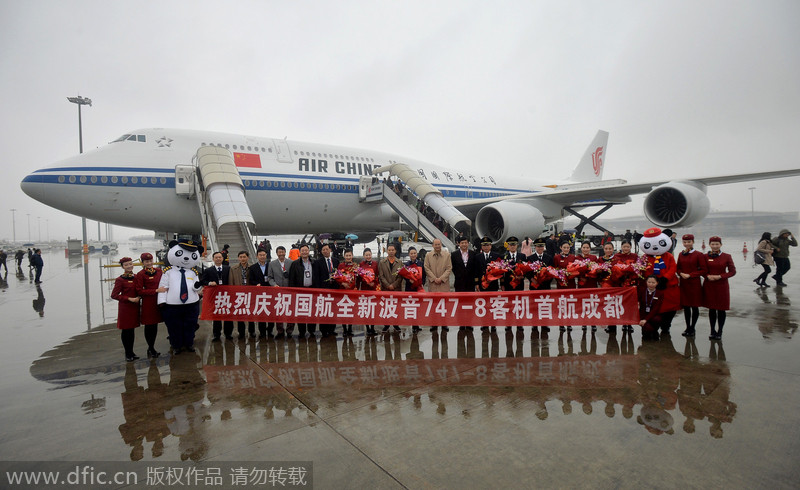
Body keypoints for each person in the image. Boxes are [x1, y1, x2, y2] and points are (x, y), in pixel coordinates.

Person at [702, 237, 736, 340]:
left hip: (721, 285)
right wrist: (706, 276)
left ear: (721, 244)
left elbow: (732, 271)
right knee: (712, 309)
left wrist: (720, 276)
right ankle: (712, 330)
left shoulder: (726, 256)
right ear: (709, 245)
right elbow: (702, 269)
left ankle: (720, 331)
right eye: (713, 244)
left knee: (721, 309)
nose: (715, 246)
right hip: (709, 284)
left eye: (717, 244)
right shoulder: (705, 256)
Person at [135, 252, 166, 357]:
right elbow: (139, 291)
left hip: (159, 301)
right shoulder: (140, 274)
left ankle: (152, 348)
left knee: (156, 325)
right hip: (148, 303)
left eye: (150, 261)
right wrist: (155, 290)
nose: (149, 263)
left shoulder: (159, 271)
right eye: (146, 261)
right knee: (149, 326)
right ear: (142, 262)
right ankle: (151, 348)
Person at [112, 257, 141, 362]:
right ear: (123, 267)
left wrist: (139, 297)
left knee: (132, 330)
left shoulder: (136, 277)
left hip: (135, 307)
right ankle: (127, 353)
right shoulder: (120, 280)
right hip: (125, 308)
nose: (129, 266)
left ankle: (131, 352)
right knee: (126, 331)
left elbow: (140, 290)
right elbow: (114, 295)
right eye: (126, 265)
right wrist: (128, 298)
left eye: (130, 264)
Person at [676, 235, 706, 338]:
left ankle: (692, 327)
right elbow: (678, 267)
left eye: (689, 242)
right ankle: (687, 327)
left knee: (694, 307)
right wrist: (680, 274)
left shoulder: (698, 254)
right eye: (685, 242)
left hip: (694, 283)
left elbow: (703, 270)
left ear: (693, 242)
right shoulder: (681, 254)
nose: (687, 244)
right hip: (684, 283)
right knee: (686, 307)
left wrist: (691, 275)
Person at [200, 251, 233, 341]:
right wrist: (210, 283)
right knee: (216, 316)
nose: (218, 259)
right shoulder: (208, 270)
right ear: (213, 259)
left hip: (227, 296)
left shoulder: (228, 269)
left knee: (228, 315)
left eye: (220, 257)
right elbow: (203, 281)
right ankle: (216, 335)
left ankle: (228, 334)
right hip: (215, 297)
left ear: (222, 258)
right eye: (216, 257)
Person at [424, 238, 452, 332]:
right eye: (435, 244)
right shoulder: (428, 255)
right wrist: (434, 278)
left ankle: (444, 324)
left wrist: (441, 278)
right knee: (433, 305)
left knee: (444, 305)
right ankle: (434, 324)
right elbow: (426, 268)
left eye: (439, 244)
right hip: (433, 284)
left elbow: (449, 268)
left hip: (443, 284)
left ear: (441, 245)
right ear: (433, 245)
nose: (437, 246)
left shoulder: (447, 255)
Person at [452, 235, 479, 331]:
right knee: (460, 304)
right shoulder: (454, 255)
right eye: (462, 243)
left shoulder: (473, 254)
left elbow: (475, 268)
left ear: (468, 243)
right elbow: (454, 269)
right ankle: (461, 323)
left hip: (470, 283)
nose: (464, 244)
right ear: (458, 244)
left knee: (470, 303)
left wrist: (476, 282)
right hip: (459, 283)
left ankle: (469, 323)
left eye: (466, 242)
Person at [288, 244, 315, 337]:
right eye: (302, 250)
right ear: (300, 252)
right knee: (301, 312)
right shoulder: (295, 263)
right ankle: (302, 331)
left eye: (306, 250)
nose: (304, 252)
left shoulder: (314, 262)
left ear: (309, 251)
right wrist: (293, 291)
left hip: (311, 290)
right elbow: (292, 279)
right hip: (300, 291)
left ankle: (312, 330)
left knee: (312, 311)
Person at [313, 243, 339, 337]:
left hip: (334, 289)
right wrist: (319, 290)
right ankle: (323, 330)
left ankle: (332, 329)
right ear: (321, 252)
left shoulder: (336, 261)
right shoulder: (318, 262)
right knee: (323, 310)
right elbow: (316, 277)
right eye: (323, 250)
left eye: (327, 249)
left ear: (330, 250)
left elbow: (339, 275)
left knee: (333, 310)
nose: (325, 251)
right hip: (323, 290)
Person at [267, 245, 293, 338]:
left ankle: (290, 330)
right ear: (276, 253)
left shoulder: (291, 262)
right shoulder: (272, 264)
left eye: (283, 252)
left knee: (290, 311)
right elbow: (269, 277)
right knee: (278, 311)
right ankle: (280, 331)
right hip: (277, 291)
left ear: (285, 253)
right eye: (279, 252)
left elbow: (293, 276)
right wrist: (274, 284)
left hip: (289, 291)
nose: (281, 254)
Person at [229, 250, 255, 339]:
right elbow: (231, 282)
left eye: (244, 257)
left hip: (250, 294)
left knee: (250, 313)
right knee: (240, 314)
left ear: (248, 257)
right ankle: (241, 332)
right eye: (241, 257)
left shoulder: (252, 267)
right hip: (238, 295)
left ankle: (252, 331)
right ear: (238, 258)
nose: (243, 259)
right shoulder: (233, 269)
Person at [378, 243, 403, 333]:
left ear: (395, 251)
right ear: (386, 251)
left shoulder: (399, 262)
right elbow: (381, 276)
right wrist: (388, 285)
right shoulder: (382, 262)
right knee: (386, 307)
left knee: (396, 307)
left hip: (396, 289)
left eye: (393, 250)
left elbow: (400, 277)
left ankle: (396, 324)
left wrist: (394, 285)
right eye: (389, 250)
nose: (391, 252)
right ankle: (386, 324)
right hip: (386, 289)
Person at [249, 249, 271, 339]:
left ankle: (269, 331)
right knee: (261, 312)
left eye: (263, 255)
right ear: (257, 256)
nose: (262, 257)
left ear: (266, 255)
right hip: (259, 294)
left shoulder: (270, 265)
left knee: (270, 313)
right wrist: (256, 284)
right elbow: (251, 280)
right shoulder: (253, 267)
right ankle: (262, 332)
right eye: (260, 255)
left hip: (270, 293)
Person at [337, 249, 358, 336]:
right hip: (343, 290)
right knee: (343, 310)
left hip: (352, 290)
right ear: (344, 256)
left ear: (352, 256)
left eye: (350, 255)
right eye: (347, 256)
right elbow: (337, 277)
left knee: (351, 310)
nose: (348, 257)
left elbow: (358, 278)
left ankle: (350, 328)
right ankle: (344, 329)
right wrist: (343, 283)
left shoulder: (355, 266)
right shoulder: (341, 265)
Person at [638, 275, 664, 340]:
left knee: (657, 320)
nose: (651, 284)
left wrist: (646, 320)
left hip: (653, 315)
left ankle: (655, 330)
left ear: (657, 283)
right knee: (647, 331)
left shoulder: (660, 293)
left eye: (653, 283)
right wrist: (642, 319)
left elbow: (656, 308)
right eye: (649, 282)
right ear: (646, 282)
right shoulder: (642, 291)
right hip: (643, 314)